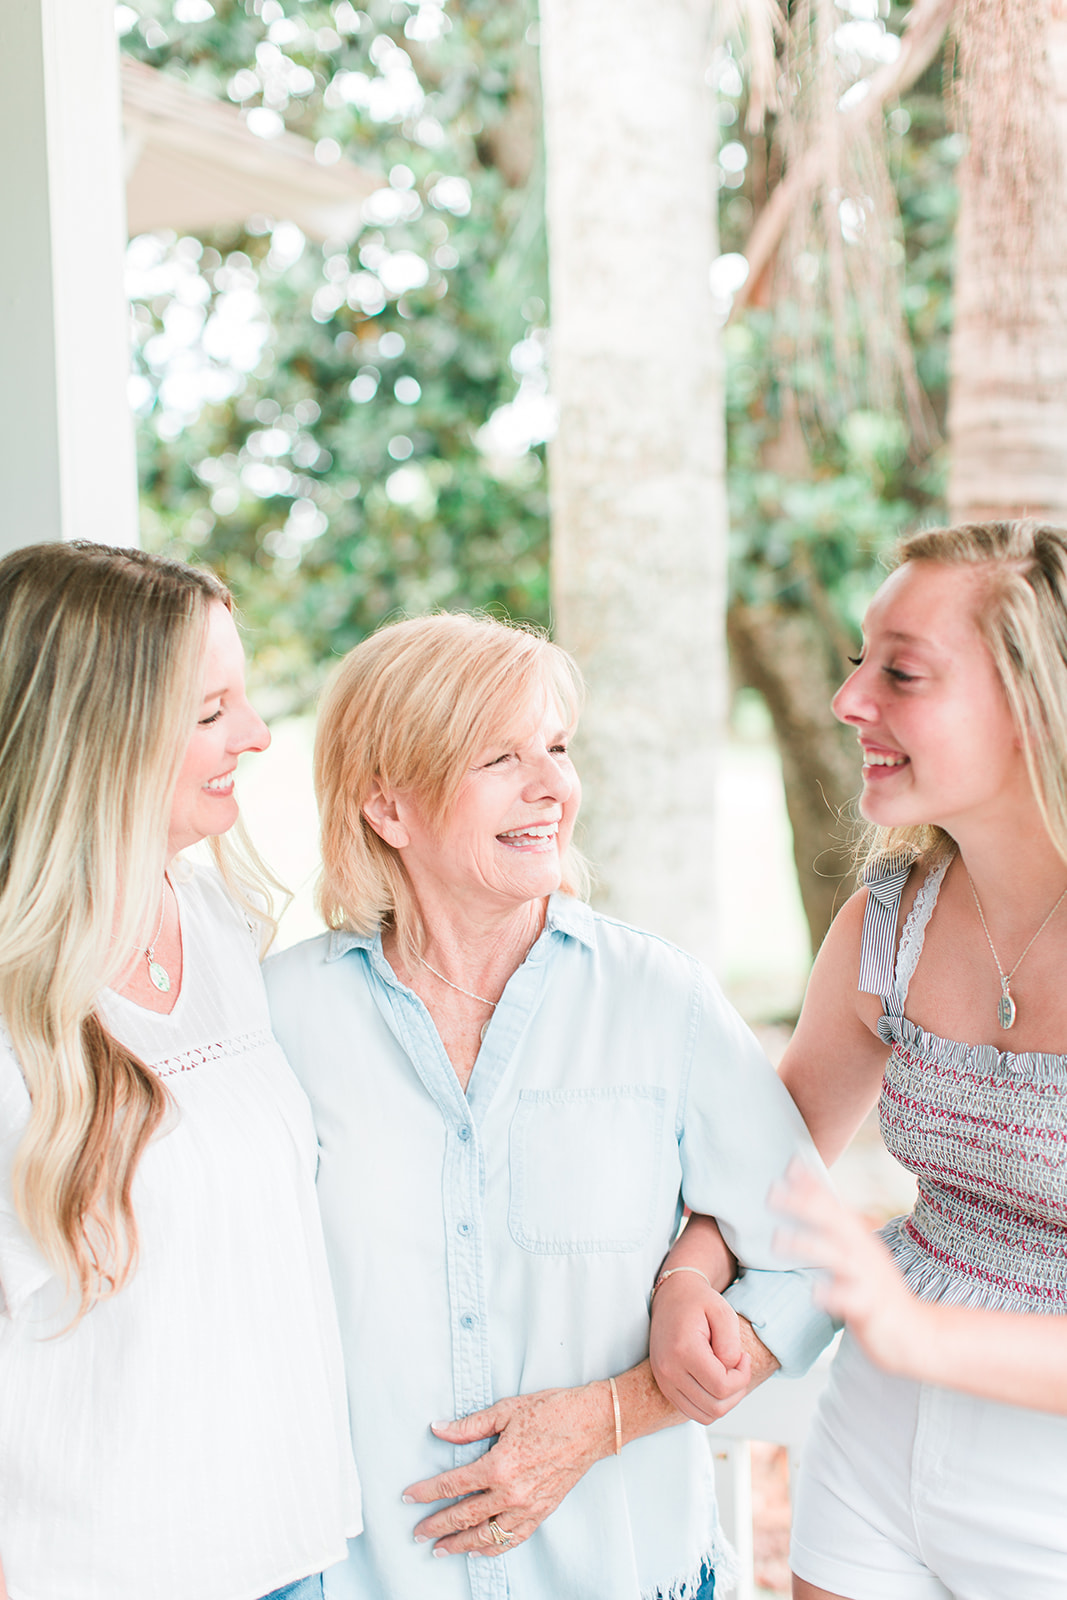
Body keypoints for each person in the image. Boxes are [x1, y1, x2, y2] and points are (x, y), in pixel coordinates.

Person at [263, 611, 834, 1600]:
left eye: (557, 748)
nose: (552, 786)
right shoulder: (279, 1016)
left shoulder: (655, 998)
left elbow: (812, 1256)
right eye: (500, 757)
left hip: (620, 1574)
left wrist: (613, 1412)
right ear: (387, 806)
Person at [651, 520, 1067, 1600]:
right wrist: (691, 1272)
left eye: (902, 673)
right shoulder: (889, 923)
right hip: (878, 1431)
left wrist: (917, 1328)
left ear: (1035, 706)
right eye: (856, 662)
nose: (847, 701)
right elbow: (771, 1158)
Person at [0, 543, 360, 1600]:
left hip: (286, 1549)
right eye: (210, 711)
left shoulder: (215, 921)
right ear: (93, 733)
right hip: (93, 1573)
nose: (255, 735)